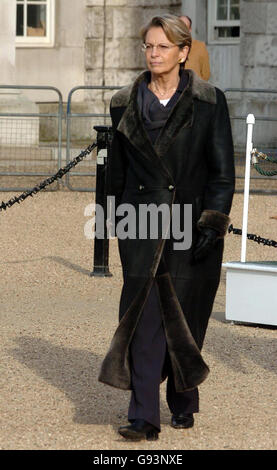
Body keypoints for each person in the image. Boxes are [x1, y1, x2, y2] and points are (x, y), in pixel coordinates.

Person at [98, 14, 235, 441]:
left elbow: (222, 173)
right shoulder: (123, 102)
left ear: (182, 51)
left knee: (186, 320)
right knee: (140, 321)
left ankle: (183, 398)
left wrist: (213, 223)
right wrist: (115, 225)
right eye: (148, 47)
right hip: (141, 227)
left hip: (192, 228)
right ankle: (143, 416)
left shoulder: (210, 101)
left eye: (162, 47)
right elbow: (116, 176)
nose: (153, 54)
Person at [180, 15, 210, 81]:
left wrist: (197, 87)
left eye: (185, 27)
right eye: (180, 27)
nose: (182, 30)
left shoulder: (200, 46)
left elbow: (206, 74)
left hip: (195, 89)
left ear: (190, 29)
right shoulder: (171, 47)